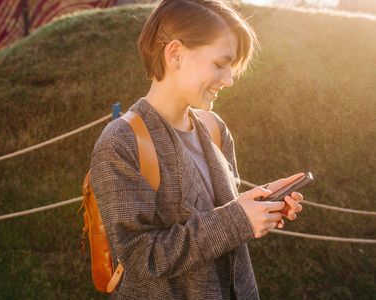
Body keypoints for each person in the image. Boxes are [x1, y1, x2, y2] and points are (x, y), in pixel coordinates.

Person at [90, 0, 303, 298]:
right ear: (175, 54)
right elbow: (140, 257)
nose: (228, 80)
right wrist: (238, 220)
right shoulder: (121, 142)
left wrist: (259, 205)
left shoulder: (215, 128)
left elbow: (219, 218)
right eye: (219, 64)